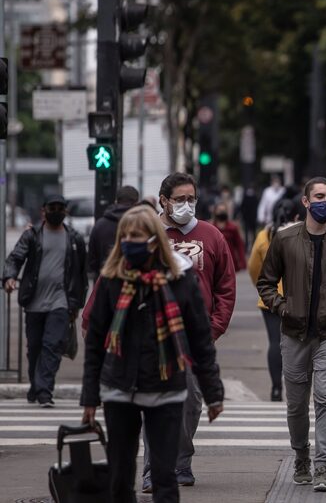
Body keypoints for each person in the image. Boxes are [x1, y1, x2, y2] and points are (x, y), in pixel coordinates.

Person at [80, 206, 225, 503]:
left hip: (166, 388)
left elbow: (200, 341)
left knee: (164, 476)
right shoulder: (112, 280)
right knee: (120, 476)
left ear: (154, 239)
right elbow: (95, 342)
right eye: (127, 236)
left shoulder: (180, 279)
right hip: (119, 388)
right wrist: (90, 397)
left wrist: (213, 393)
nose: (131, 241)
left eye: (139, 235)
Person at [258, 177, 326, 492]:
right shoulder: (285, 239)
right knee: (295, 404)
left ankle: (322, 466)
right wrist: (282, 307)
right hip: (293, 332)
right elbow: (265, 282)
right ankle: (301, 456)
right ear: (305, 201)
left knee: (325, 398)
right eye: (319, 196)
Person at [141, 172, 236, 492]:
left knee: (191, 401)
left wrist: (214, 327)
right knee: (154, 402)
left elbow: (225, 286)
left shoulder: (211, 235)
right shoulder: (146, 233)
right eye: (179, 199)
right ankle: (154, 468)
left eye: (191, 199)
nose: (186, 205)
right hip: (152, 334)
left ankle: (181, 459)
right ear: (164, 200)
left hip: (195, 336)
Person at [3, 194, 88, 408]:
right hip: (34, 302)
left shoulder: (74, 238)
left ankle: (44, 392)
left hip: (60, 302)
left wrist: (76, 303)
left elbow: (81, 274)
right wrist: (9, 277)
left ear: (66, 212)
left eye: (61, 207)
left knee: (52, 346)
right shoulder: (31, 236)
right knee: (35, 348)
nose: (56, 211)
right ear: (43, 211)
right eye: (52, 207)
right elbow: (16, 258)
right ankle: (36, 385)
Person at [247, 198, 303, 402]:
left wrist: (262, 287)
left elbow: (253, 266)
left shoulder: (264, 235)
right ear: (297, 215)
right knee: (297, 344)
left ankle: (276, 388)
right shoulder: (301, 234)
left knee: (274, 342)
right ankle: (295, 387)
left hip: (269, 299)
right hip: (298, 298)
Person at [87, 186, 140, 279]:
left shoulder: (100, 225)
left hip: (104, 281)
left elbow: (92, 260)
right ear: (136, 204)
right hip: (133, 282)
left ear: (116, 201)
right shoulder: (141, 225)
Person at [212, 202, 247, 271]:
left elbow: (239, 245)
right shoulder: (211, 228)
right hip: (215, 261)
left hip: (231, 261)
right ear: (215, 212)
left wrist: (242, 261)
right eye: (220, 210)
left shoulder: (233, 228)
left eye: (223, 210)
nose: (222, 212)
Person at [239, 185, 260, 251]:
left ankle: (248, 246)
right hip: (251, 218)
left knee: (249, 233)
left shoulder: (245, 197)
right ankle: (253, 245)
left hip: (247, 218)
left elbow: (242, 207)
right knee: (252, 232)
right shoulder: (255, 197)